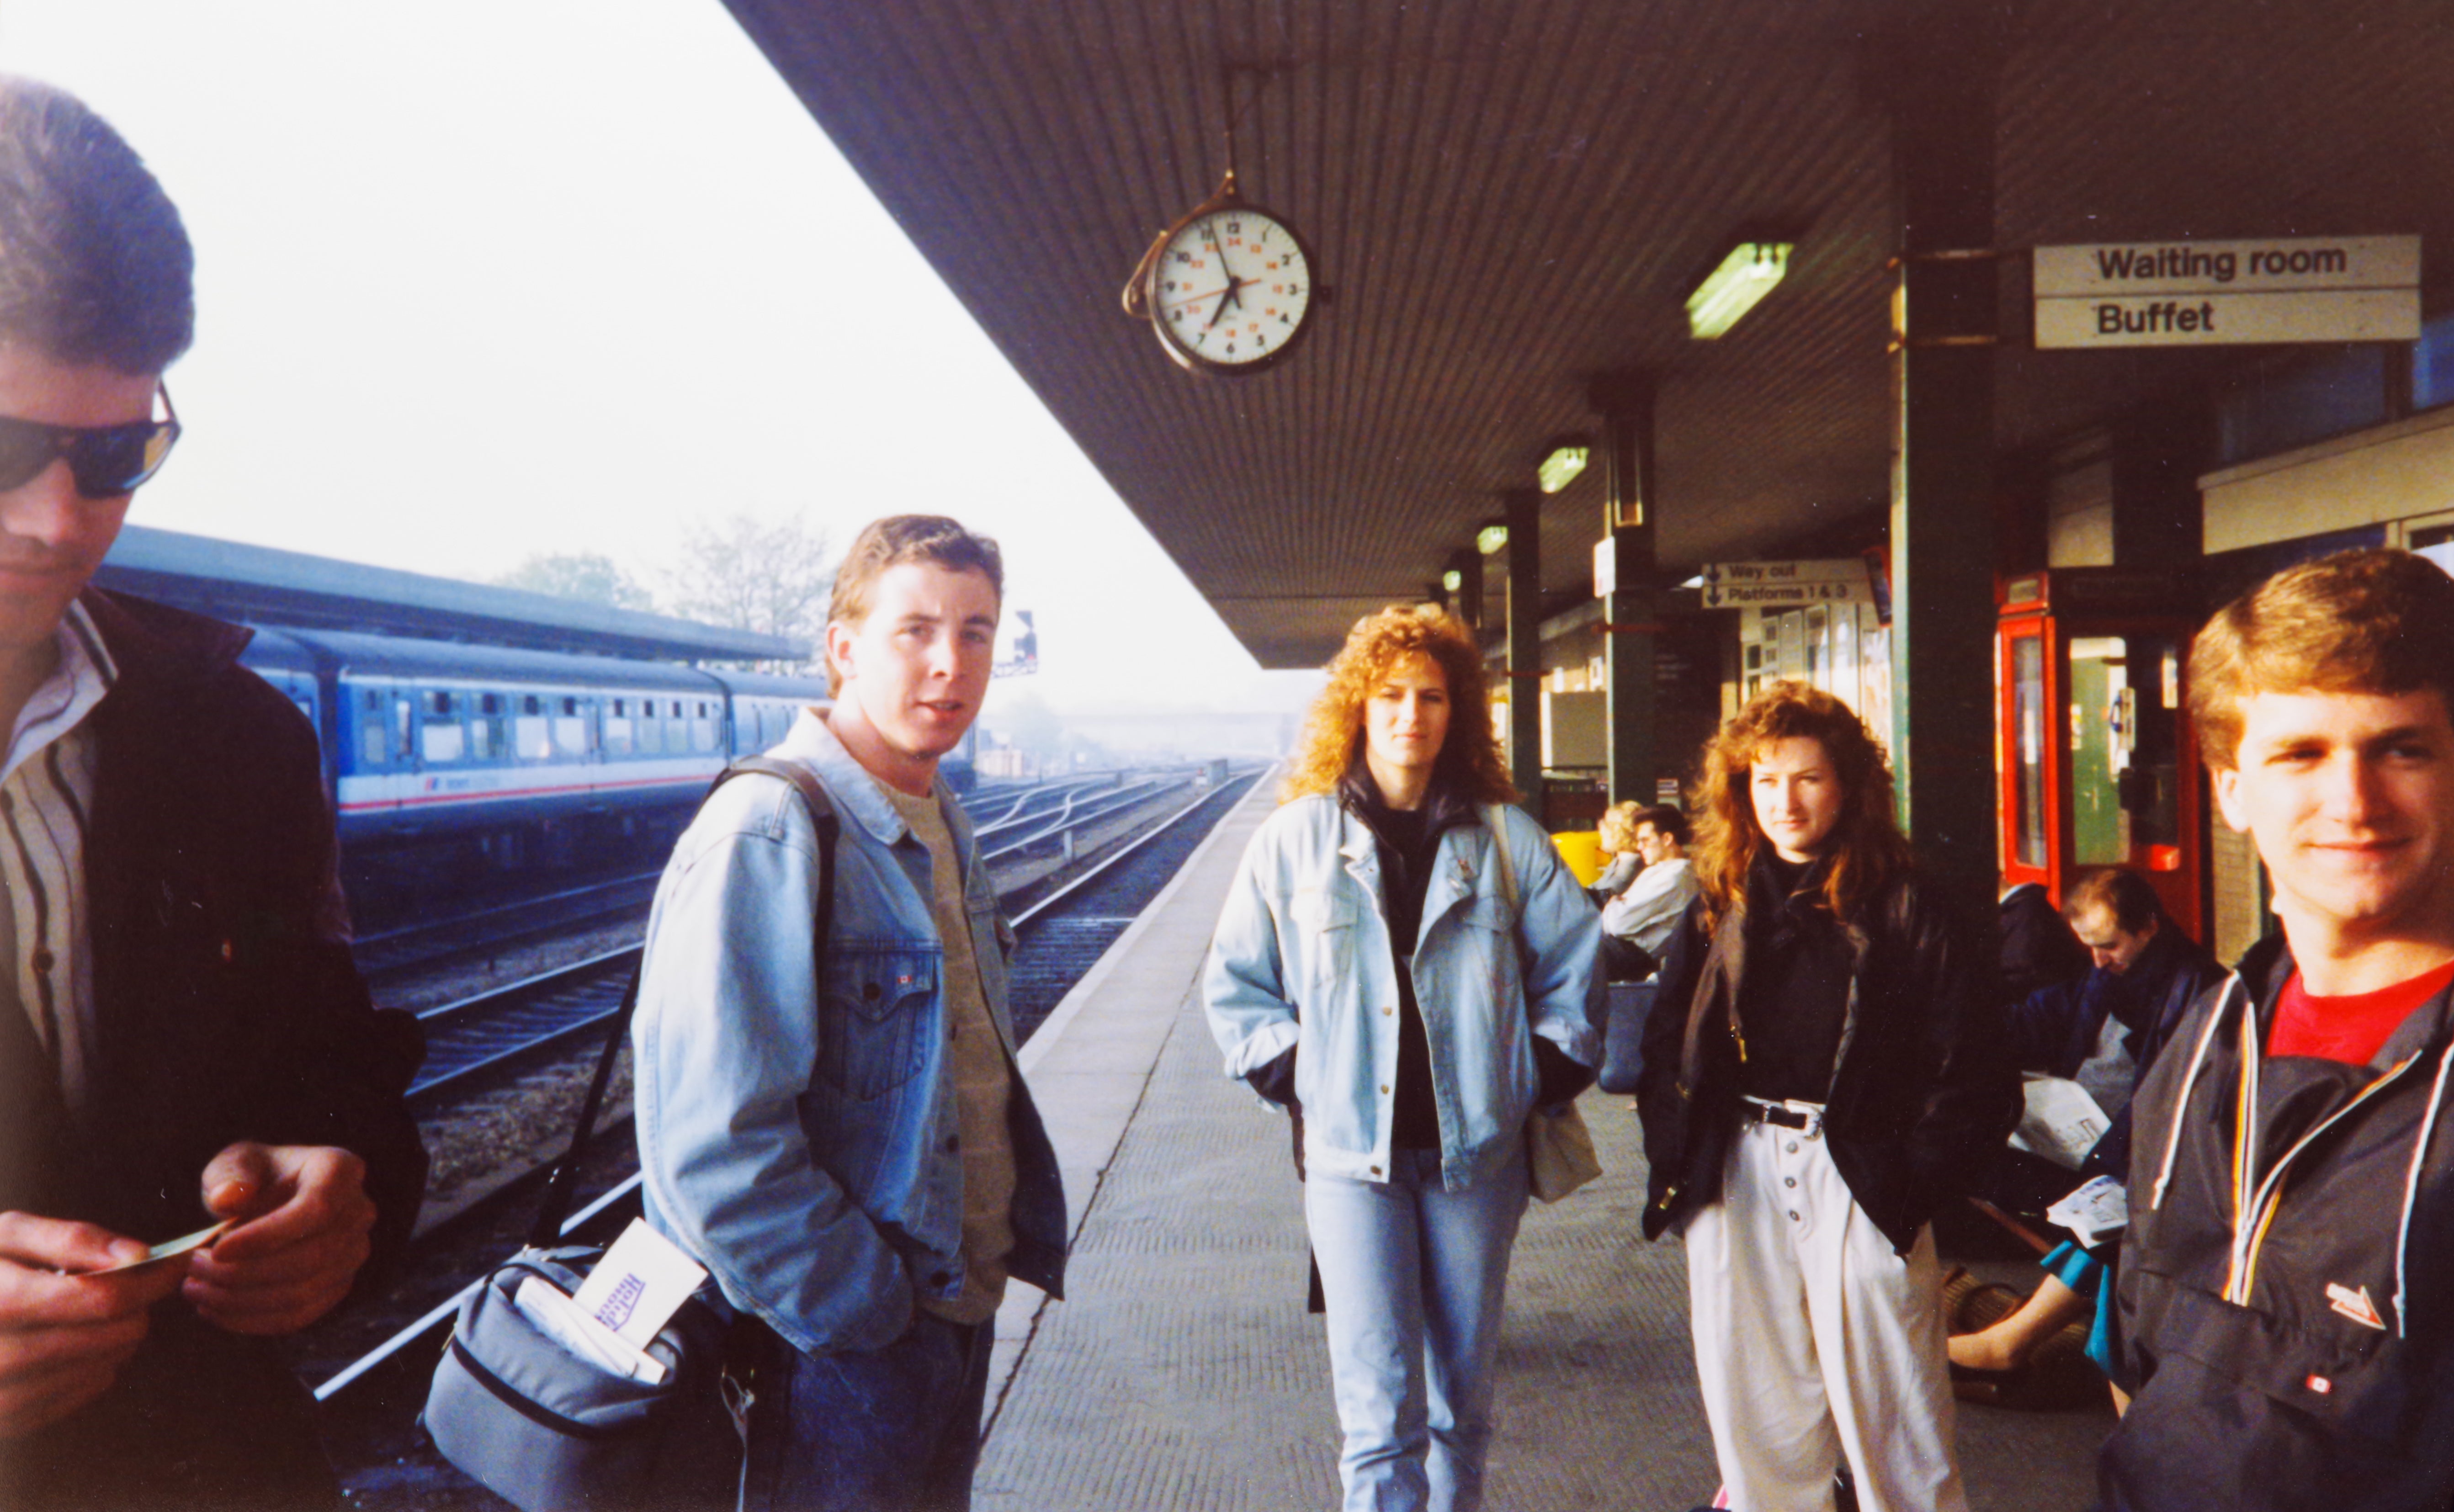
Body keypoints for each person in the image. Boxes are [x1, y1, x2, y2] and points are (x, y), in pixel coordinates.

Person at [0, 78, 428, 1508]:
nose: (58, 520)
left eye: (116, 456)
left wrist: (340, 1184)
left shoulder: (238, 741)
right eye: (2, 448)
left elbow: (336, 1065)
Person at [632, 515, 1068, 1512]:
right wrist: (872, 1310)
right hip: (838, 1342)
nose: (949, 663)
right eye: (913, 629)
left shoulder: (940, 815)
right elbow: (714, 1150)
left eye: (977, 631)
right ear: (842, 649)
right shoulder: (772, 827)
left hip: (949, 1310)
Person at [1205, 604, 1600, 1512]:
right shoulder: (1293, 840)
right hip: (1352, 1164)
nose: (1409, 713)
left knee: (1463, 1401)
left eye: (1430, 695)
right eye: (1389, 694)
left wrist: (1529, 1079)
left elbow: (1578, 972)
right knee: (1380, 1412)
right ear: (1358, 706)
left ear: (1457, 711)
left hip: (1477, 1162)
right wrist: (1298, 1078)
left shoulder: (1506, 840)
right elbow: (1236, 985)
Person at [2099, 548, 2454, 1510]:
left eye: (2402, 748)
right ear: (2230, 789)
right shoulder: (2212, 1038)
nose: (2354, 803)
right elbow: (2145, 1346)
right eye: (2300, 753)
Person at [1637, 680, 2016, 1512]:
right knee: (1757, 1404)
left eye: (1806, 777)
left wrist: (1909, 1182)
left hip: (1861, 1164)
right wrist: (1680, 1156)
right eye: (1765, 781)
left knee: (1895, 1407)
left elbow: (1979, 1070)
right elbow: (1666, 1040)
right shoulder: (1722, 898)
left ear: (1847, 785)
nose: (1786, 800)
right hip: (1737, 1162)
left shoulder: (1909, 900)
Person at [1951, 867, 2221, 1385]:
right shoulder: (2110, 974)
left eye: (2109, 945)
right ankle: (2011, 1340)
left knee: (2118, 1221)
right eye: (2089, 947)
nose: (2098, 960)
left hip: (2133, 1158)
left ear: (2149, 926)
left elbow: (2164, 1109)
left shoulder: (2196, 993)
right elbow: (2044, 1016)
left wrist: (2110, 1167)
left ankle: (2012, 1342)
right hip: (2093, 1142)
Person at [1599, 802, 1698, 981]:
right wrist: (1618, 903)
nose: (1639, 847)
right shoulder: (1658, 870)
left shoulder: (1675, 876)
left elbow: (1617, 925)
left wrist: (1615, 901)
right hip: (1620, 950)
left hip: (1629, 956)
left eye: (1645, 840)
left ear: (1667, 839)